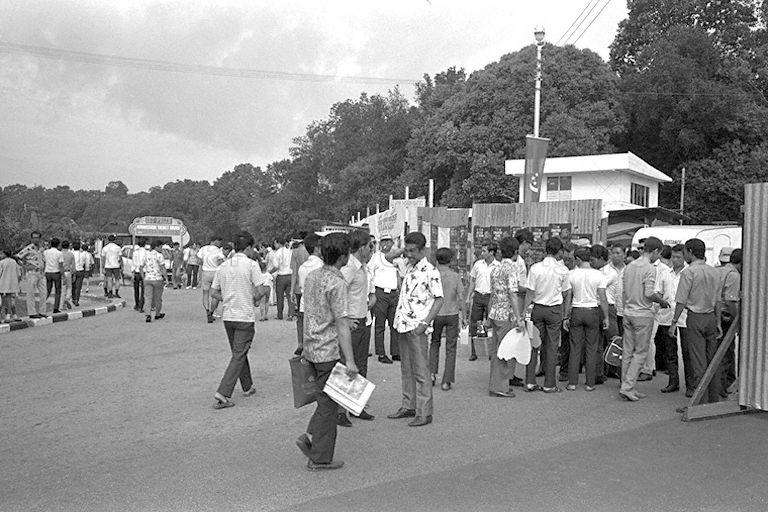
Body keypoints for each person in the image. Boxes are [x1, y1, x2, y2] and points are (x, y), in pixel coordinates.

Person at [295, 232, 358, 471]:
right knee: (329, 405)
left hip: (311, 347)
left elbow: (311, 312)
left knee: (324, 400)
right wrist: (350, 361)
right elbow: (341, 323)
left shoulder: (312, 276)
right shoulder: (337, 282)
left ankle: (313, 439)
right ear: (343, 256)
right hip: (327, 350)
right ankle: (319, 456)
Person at [388, 232, 444, 427]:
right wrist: (403, 250)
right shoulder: (410, 267)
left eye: (412, 251)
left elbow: (439, 299)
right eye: (407, 250)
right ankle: (409, 405)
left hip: (417, 327)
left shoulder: (431, 271)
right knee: (406, 369)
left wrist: (425, 323)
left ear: (422, 250)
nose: (408, 254)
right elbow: (390, 257)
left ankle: (424, 412)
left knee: (421, 371)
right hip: (403, 325)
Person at [210, 231, 270, 409]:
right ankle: (223, 392)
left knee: (239, 352)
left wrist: (228, 297)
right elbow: (259, 290)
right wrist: (258, 297)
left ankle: (248, 385)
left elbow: (213, 292)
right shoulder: (252, 265)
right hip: (244, 316)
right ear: (250, 247)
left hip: (228, 316)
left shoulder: (223, 266)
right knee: (239, 354)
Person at [670, 238, 724, 407]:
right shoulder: (714, 271)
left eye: (685, 252)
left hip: (695, 317)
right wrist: (719, 322)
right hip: (710, 317)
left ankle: (701, 401)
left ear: (690, 252)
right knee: (712, 359)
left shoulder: (689, 272)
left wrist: (674, 322)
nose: (684, 255)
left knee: (698, 361)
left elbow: (681, 300)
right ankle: (713, 398)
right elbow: (717, 300)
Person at [621, 236, 669, 402]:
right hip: (642, 314)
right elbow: (649, 293)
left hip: (628, 312)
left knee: (627, 351)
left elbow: (624, 291)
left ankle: (626, 384)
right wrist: (661, 301)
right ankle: (628, 387)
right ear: (655, 251)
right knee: (641, 353)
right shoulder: (650, 268)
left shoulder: (629, 266)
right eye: (659, 254)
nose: (658, 258)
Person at [522, 237, 572, 393]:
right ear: (559, 251)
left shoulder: (535, 268)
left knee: (534, 345)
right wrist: (565, 314)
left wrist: (524, 312)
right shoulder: (562, 270)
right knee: (551, 347)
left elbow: (530, 292)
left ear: (546, 250)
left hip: (537, 309)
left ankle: (530, 381)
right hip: (554, 311)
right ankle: (549, 384)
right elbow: (566, 293)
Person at [338, 230, 377, 424]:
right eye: (370, 246)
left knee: (361, 365)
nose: (371, 250)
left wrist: (371, 297)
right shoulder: (350, 268)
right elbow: (338, 293)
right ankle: (339, 410)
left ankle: (356, 406)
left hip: (363, 319)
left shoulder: (362, 266)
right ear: (362, 247)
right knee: (348, 365)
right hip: (352, 322)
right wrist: (344, 319)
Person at [566, 247, 610, 392]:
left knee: (575, 347)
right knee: (592, 348)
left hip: (577, 310)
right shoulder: (599, 275)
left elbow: (568, 297)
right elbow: (603, 298)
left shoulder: (571, 274)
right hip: (593, 311)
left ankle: (572, 382)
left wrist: (566, 316)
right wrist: (606, 317)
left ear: (578, 259)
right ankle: (590, 383)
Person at [486, 237, 525, 397]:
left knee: (496, 351)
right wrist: (518, 318)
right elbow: (513, 294)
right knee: (504, 352)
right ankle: (500, 387)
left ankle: (494, 384)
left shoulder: (495, 268)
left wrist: (488, 316)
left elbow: (492, 294)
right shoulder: (512, 269)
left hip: (495, 312)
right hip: (505, 315)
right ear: (516, 252)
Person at [430, 247, 465, 392]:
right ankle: (446, 381)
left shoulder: (432, 275)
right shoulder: (455, 276)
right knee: (451, 347)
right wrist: (465, 316)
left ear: (437, 260)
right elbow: (461, 298)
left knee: (434, 343)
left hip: (435, 314)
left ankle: (431, 374)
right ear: (450, 260)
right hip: (452, 313)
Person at [657, 244, 690, 394]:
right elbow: (658, 292)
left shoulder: (689, 272)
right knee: (670, 352)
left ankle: (690, 384)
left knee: (687, 352)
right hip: (667, 316)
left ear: (684, 257)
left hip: (684, 318)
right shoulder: (665, 273)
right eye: (673, 257)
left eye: (679, 257)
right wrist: (661, 301)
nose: (675, 260)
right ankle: (673, 381)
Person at [368, 235, 405, 364]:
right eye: (383, 241)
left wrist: (401, 292)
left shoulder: (397, 259)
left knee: (394, 324)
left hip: (393, 293)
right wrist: (371, 292)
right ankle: (381, 353)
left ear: (392, 242)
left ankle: (396, 352)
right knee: (380, 325)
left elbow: (400, 276)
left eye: (388, 241)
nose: (386, 244)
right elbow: (370, 274)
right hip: (380, 292)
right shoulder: (376, 257)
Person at [465, 241, 500, 362]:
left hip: (491, 297)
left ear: (491, 253)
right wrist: (468, 296)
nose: (482, 253)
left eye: (485, 251)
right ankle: (475, 351)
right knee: (477, 323)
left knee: (490, 324)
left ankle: (491, 350)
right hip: (479, 296)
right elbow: (473, 281)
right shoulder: (478, 265)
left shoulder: (498, 266)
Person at [295, 234, 324, 355]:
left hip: (304, 305)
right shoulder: (322, 266)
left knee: (307, 338)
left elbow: (303, 287)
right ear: (317, 248)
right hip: (318, 309)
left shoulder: (303, 267)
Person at [718, 248, 741, 396]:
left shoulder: (721, 270)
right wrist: (738, 319)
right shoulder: (734, 275)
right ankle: (723, 387)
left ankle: (726, 383)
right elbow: (731, 300)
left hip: (718, 314)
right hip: (727, 316)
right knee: (726, 353)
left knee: (722, 352)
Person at [291, 233, 310, 354]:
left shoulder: (295, 252)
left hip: (299, 287)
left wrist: (292, 290)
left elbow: (294, 272)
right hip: (311, 287)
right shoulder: (311, 252)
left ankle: (300, 342)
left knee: (300, 317)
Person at [198, 237, 224, 323]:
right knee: (215, 293)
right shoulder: (218, 250)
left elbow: (199, 260)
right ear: (215, 241)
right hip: (215, 272)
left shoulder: (203, 248)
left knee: (205, 293)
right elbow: (221, 262)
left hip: (206, 272)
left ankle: (207, 310)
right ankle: (212, 312)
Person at [141, 239, 167, 323]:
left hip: (148, 279)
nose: (161, 249)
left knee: (148, 298)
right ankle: (157, 314)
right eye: (160, 247)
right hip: (157, 279)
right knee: (158, 298)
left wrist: (143, 276)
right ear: (157, 247)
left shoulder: (145, 255)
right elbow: (163, 268)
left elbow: (141, 267)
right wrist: (166, 278)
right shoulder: (159, 255)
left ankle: (148, 314)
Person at [270, 237, 294, 320]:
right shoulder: (290, 251)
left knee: (279, 296)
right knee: (290, 296)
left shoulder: (277, 253)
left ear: (278, 243)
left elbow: (276, 266)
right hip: (290, 275)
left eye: (275, 243)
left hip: (281, 276)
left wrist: (269, 272)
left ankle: (279, 314)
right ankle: (291, 314)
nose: (274, 245)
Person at [43, 237, 64, 314]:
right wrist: (63, 276)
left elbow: (44, 262)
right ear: (58, 245)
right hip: (56, 272)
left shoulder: (45, 252)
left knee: (48, 290)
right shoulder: (59, 253)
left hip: (48, 272)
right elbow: (61, 265)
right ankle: (56, 308)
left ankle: (42, 306)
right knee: (58, 291)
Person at [0, 248, 22, 323]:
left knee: (6, 300)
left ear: (5, 254)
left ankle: (8, 315)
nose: (0, 255)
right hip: (13, 284)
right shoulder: (14, 262)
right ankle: (14, 315)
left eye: (1, 254)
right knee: (11, 300)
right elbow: (19, 274)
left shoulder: (2, 262)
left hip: (4, 284)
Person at [101, 234, 122, 299]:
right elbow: (120, 257)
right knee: (117, 280)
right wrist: (120, 264)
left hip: (107, 266)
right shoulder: (118, 248)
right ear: (114, 240)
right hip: (116, 265)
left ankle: (110, 293)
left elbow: (103, 258)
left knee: (109, 279)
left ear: (108, 240)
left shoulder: (105, 248)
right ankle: (116, 292)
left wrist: (103, 267)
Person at [71, 241, 90, 307]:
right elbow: (87, 263)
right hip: (80, 271)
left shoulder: (71, 253)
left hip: (73, 271)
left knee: (73, 286)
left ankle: (73, 298)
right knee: (78, 286)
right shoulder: (83, 254)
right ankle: (77, 300)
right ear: (79, 247)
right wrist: (87, 269)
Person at [131, 239, 148, 312]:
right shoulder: (147, 253)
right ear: (145, 244)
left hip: (137, 272)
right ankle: (141, 305)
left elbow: (133, 263)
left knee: (136, 289)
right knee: (143, 290)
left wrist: (132, 273)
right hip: (144, 273)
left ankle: (137, 304)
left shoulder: (135, 253)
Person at [60, 240, 74, 310]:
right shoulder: (71, 254)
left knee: (63, 289)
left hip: (61, 272)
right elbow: (73, 266)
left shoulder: (59, 253)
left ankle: (62, 305)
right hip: (68, 272)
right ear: (68, 246)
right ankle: (67, 298)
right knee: (69, 287)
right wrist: (74, 273)